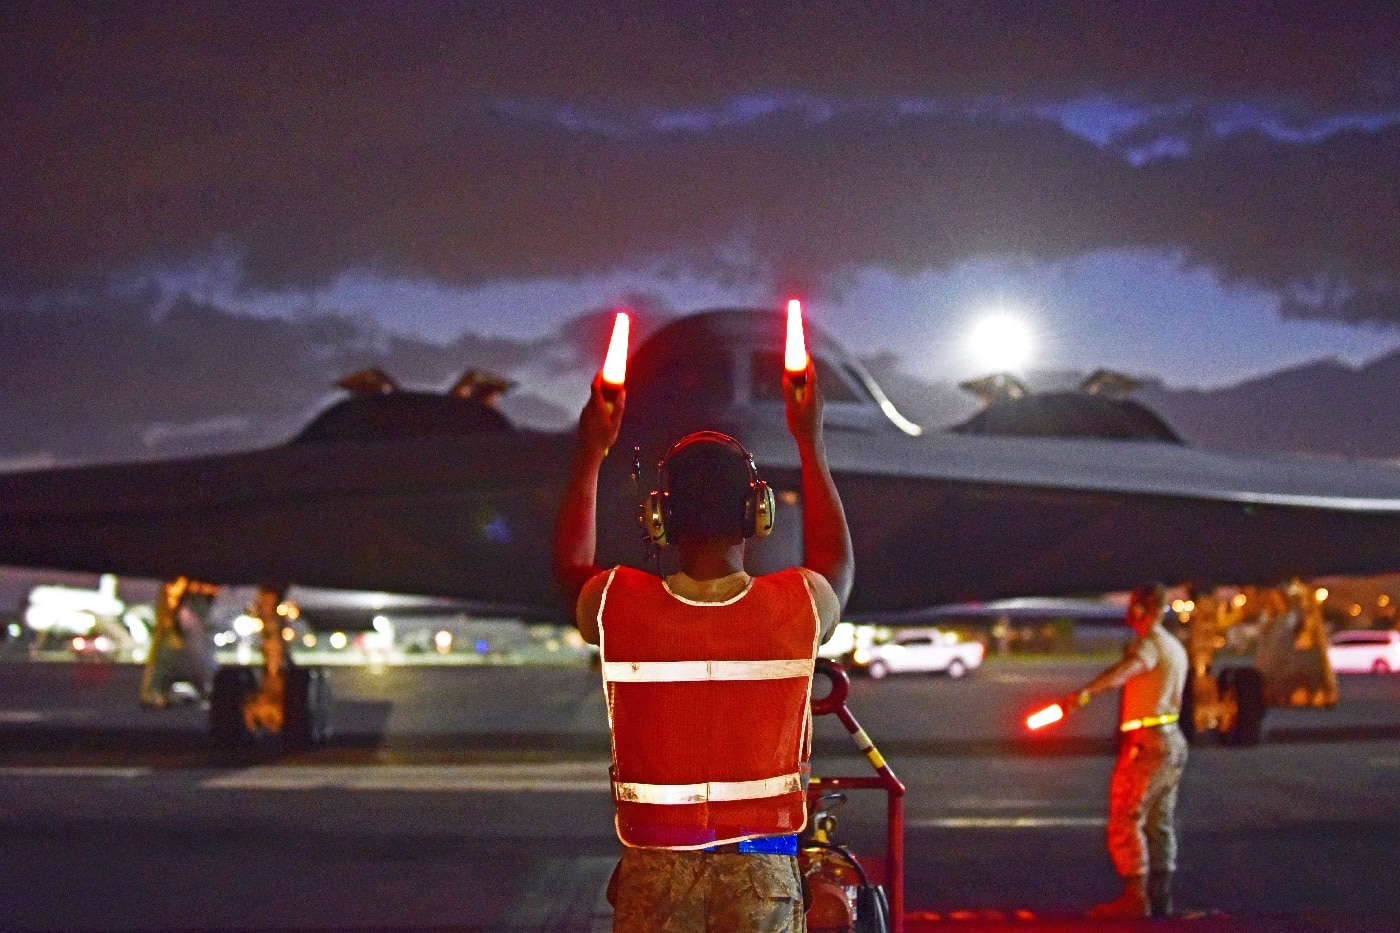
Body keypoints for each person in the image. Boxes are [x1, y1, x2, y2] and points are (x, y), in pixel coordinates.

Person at [553, 359, 852, 933]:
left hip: (656, 874)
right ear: (756, 515)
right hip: (761, 877)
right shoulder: (799, 604)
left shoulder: (620, 604)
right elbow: (837, 567)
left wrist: (591, 451)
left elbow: (567, 566)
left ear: (659, 516)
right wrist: (810, 443)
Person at [1068, 583, 1189, 919]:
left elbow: (1128, 670)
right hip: (1171, 739)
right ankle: (1160, 899)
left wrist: (1086, 692)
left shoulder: (1149, 644)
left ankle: (1135, 898)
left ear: (1140, 608)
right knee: (1158, 821)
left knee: (1126, 816)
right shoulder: (1173, 645)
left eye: (1132, 606)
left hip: (1147, 742)